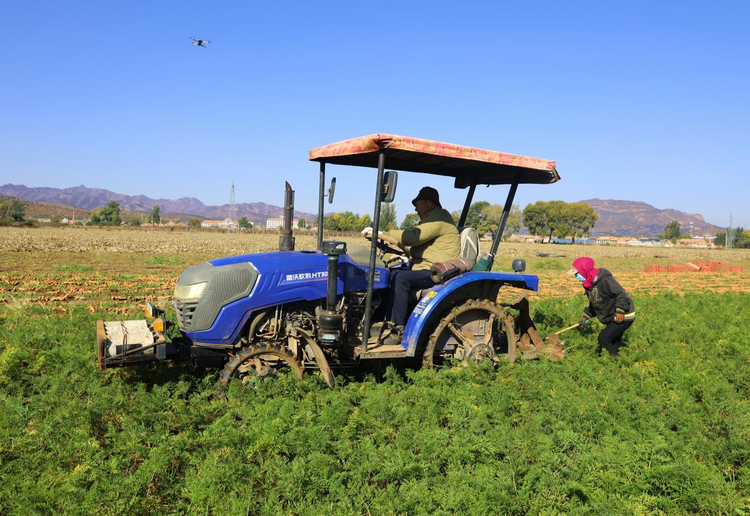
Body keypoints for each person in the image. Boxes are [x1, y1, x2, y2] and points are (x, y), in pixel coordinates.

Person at [364, 186, 460, 344]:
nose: (415, 208)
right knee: (389, 273)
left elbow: (415, 237)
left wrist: (383, 233)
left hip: (436, 270)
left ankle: (397, 329)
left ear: (429, 203)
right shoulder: (432, 219)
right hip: (425, 267)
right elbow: (415, 246)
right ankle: (377, 321)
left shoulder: (439, 218)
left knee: (401, 278)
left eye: (418, 203)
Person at [569, 257, 635, 356]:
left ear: (584, 270)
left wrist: (620, 310)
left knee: (604, 339)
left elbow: (621, 294)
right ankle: (615, 363)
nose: (576, 276)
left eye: (577, 273)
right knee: (613, 342)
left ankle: (615, 360)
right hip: (612, 316)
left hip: (623, 315)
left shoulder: (605, 280)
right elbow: (596, 302)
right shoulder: (589, 284)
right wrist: (587, 315)